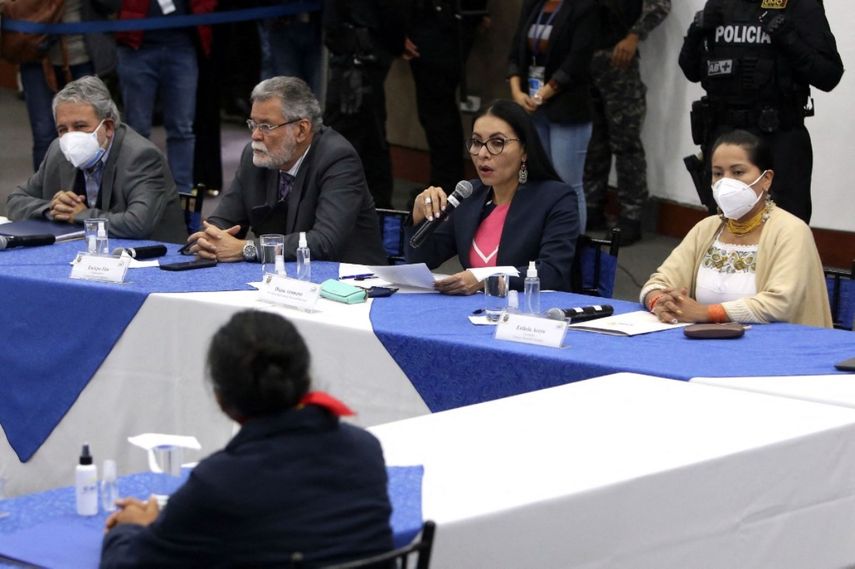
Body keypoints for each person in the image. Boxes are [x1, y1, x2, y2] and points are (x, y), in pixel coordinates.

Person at [100, 310, 394, 567]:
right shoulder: (364, 450)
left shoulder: (218, 483)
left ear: (221, 400)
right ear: (305, 379)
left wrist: (131, 529)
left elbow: (128, 564)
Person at [640, 130, 832, 328]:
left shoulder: (791, 231)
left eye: (738, 172)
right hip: (705, 343)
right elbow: (658, 282)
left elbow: (780, 303)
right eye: (718, 173)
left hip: (774, 351)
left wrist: (707, 313)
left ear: (767, 179)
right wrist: (660, 303)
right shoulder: (707, 228)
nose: (726, 182)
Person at [186, 76, 388, 265]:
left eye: (266, 126)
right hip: (282, 281)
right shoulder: (254, 156)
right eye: (253, 124)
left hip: (351, 285)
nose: (255, 135)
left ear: (301, 130)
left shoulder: (338, 159)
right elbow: (223, 219)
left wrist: (247, 248)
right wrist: (211, 239)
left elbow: (324, 241)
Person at [678, 0, 843, 224]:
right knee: (725, 230)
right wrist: (696, 31)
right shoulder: (719, 4)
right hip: (724, 138)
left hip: (777, 138)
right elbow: (691, 70)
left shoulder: (799, 5)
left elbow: (828, 75)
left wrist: (788, 38)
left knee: (784, 231)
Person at [405, 99, 580, 294]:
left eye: (497, 143)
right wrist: (418, 217)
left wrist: (486, 279)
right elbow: (421, 260)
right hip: (475, 315)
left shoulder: (556, 198)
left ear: (524, 150)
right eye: (477, 142)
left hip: (530, 315)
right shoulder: (469, 194)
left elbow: (552, 273)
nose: (482, 153)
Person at [6, 75, 187, 243]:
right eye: (63, 129)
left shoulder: (141, 156)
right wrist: (53, 209)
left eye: (80, 126)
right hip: (84, 252)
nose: (70, 137)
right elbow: (14, 201)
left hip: (151, 259)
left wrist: (80, 215)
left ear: (108, 127)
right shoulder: (58, 150)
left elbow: (138, 224)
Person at [583, 0, 671, 245]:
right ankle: (592, 206)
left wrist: (635, 35)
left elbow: (660, 5)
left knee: (626, 142)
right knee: (592, 140)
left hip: (618, 59)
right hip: (583, 57)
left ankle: (631, 216)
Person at [508, 0, 599, 234]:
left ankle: (573, 249)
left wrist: (542, 94)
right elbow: (516, 52)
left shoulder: (585, 7)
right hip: (533, 108)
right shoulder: (534, 5)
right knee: (537, 182)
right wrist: (517, 93)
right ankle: (545, 245)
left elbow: (577, 60)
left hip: (568, 109)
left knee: (568, 185)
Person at [115, 0, 217, 195]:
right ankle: (138, 192)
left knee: (182, 127)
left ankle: (182, 194)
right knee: (137, 129)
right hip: (136, 46)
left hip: (182, 45)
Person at [10, 0, 117, 171]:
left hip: (83, 55)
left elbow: (112, 6)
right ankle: (45, 193)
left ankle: (92, 191)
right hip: (36, 54)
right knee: (44, 133)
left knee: (90, 130)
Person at [323, 0, 406, 209]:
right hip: (360, 54)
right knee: (369, 141)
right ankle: (373, 208)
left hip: (358, 57)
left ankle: (358, 207)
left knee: (357, 141)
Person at [405, 0, 488, 198]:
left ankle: (445, 184)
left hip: (440, 27)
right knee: (436, 112)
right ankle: (444, 182)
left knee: (438, 113)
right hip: (442, 24)